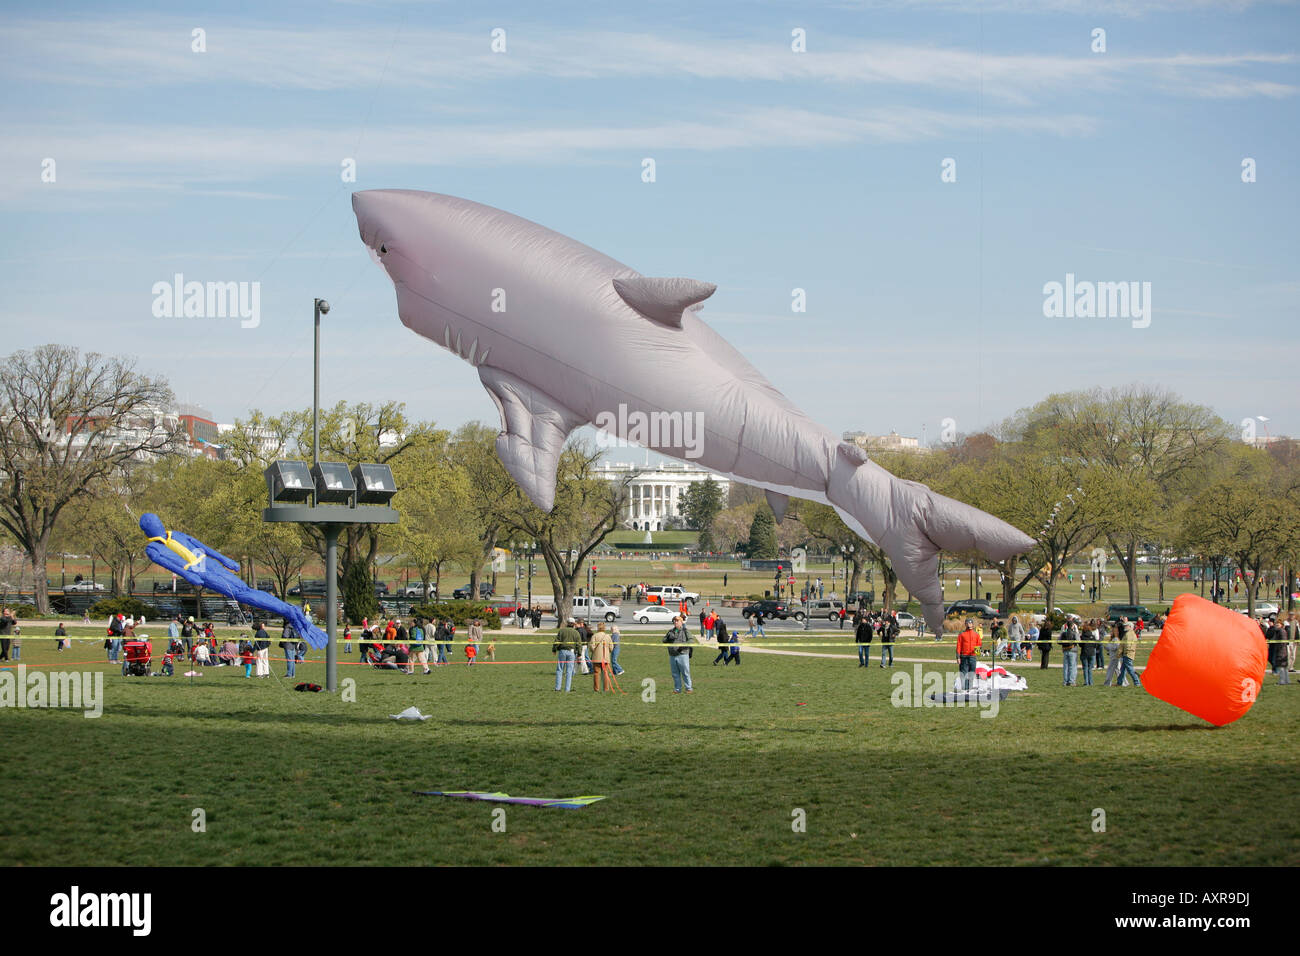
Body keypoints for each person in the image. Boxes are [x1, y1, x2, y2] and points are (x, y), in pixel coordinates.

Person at [663, 615, 693, 693]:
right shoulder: (671, 631)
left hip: (682, 654)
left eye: (677, 621)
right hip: (672, 655)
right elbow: (663, 640)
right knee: (675, 674)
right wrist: (668, 638)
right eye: (674, 621)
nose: (675, 622)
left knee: (685, 673)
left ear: (681, 622)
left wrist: (682, 646)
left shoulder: (685, 631)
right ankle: (677, 689)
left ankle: (689, 688)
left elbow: (691, 641)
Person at [553, 617, 580, 692]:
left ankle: (557, 688)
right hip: (571, 652)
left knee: (560, 669)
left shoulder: (562, 631)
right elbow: (579, 644)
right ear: (573, 624)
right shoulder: (576, 632)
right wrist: (579, 654)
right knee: (569, 671)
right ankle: (567, 689)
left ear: (567, 623)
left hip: (562, 651)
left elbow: (557, 641)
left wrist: (554, 649)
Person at [1114, 617, 1142, 688]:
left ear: (1130, 627)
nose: (1124, 626)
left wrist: (1119, 653)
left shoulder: (1128, 635)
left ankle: (1137, 682)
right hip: (1128, 654)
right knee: (1123, 670)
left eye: (1126, 625)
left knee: (1130, 670)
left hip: (1127, 654)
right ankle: (1119, 682)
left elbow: (1126, 646)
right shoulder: (1130, 634)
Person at [956, 618, 981, 690]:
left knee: (971, 673)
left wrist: (977, 652)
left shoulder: (976, 635)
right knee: (964, 673)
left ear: (972, 624)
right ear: (965, 624)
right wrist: (958, 657)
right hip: (964, 656)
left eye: (970, 623)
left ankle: (969, 689)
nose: (969, 624)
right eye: (967, 623)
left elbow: (979, 644)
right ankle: (964, 689)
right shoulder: (962, 634)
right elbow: (959, 645)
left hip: (972, 657)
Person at [1266, 614, 1289, 685]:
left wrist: (1279, 649)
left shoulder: (1281, 631)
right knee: (1283, 667)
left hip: (1281, 651)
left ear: (1281, 625)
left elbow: (1283, 642)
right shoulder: (1278, 631)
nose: (1276, 626)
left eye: (1278, 625)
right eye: (1276, 624)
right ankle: (1286, 680)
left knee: (1281, 666)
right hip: (1279, 650)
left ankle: (1282, 681)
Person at [590, 624, 614, 691]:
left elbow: (592, 647)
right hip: (605, 658)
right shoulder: (608, 636)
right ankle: (606, 688)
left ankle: (596, 688)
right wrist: (607, 651)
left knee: (596, 673)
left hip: (596, 657)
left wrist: (594, 651)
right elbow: (611, 647)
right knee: (605, 673)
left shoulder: (594, 636)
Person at [1059, 620, 1079, 686]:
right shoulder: (1074, 633)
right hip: (1073, 651)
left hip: (1065, 650)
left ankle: (1065, 681)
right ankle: (1071, 681)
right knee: (1072, 666)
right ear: (1073, 626)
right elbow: (1078, 641)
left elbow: (1059, 641)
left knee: (1066, 667)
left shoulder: (1064, 633)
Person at [1078, 620, 1096, 686]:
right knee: (1090, 668)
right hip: (1091, 654)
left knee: (1085, 668)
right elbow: (1095, 645)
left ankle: (1086, 682)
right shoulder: (1093, 637)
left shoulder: (1082, 637)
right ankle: (1091, 682)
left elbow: (1080, 645)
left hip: (1084, 653)